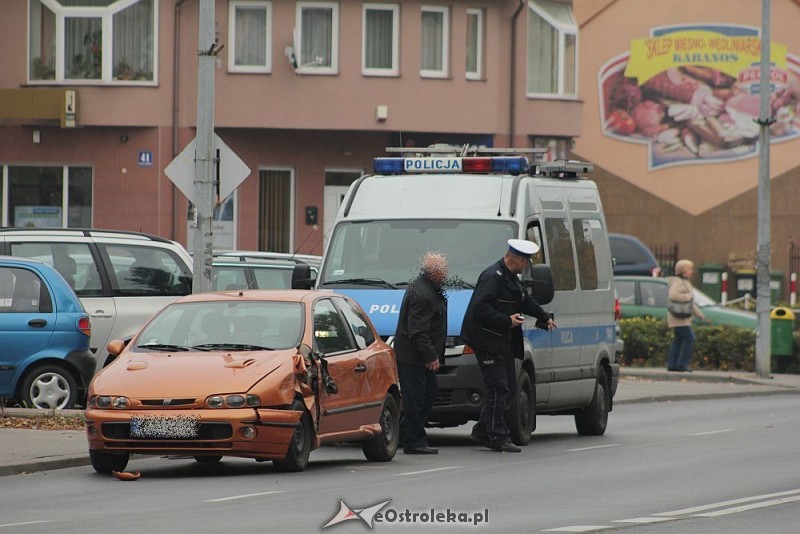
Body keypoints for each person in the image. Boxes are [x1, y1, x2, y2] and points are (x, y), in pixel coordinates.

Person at [460, 239, 556, 452]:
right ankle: (497, 436)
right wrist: (507, 321)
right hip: (486, 341)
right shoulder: (492, 277)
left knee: (509, 388)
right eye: (526, 262)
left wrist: (544, 316)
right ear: (518, 260)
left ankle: (483, 430)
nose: (526, 266)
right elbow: (479, 309)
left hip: (501, 342)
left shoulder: (511, 278)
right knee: (498, 388)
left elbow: (525, 301)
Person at [393, 252, 448, 455]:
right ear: (434, 272)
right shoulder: (423, 294)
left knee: (428, 393)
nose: (445, 274)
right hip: (413, 356)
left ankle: (407, 433)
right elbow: (417, 330)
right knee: (416, 398)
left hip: (417, 355)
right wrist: (430, 356)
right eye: (442, 271)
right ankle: (414, 440)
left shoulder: (428, 288)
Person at [666, 259, 707, 372]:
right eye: (690, 269)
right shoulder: (678, 282)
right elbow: (672, 295)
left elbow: (690, 303)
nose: (692, 271)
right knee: (689, 338)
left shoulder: (685, 282)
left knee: (678, 340)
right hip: (678, 316)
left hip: (681, 316)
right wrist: (687, 297)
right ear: (683, 271)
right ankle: (681, 364)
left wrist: (700, 315)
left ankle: (672, 364)